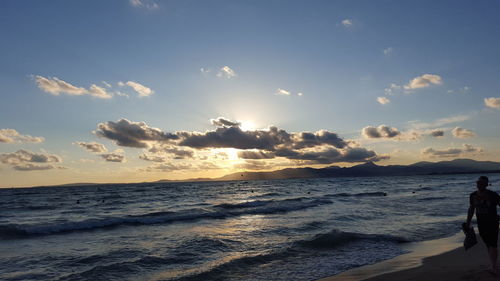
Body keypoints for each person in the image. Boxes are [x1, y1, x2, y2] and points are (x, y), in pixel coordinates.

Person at [466, 176, 500, 274]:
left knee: (493, 243)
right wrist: (468, 222)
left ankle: (494, 266)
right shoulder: (473, 195)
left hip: (493, 222)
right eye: (478, 182)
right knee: (487, 244)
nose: (479, 184)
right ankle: (493, 264)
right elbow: (471, 209)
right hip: (481, 223)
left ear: (486, 184)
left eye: (482, 183)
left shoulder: (493, 195)